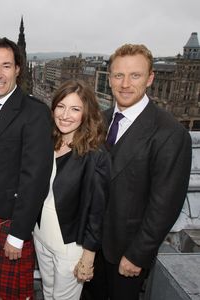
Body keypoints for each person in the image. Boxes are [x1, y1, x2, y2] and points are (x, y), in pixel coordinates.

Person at [82, 44, 192, 300]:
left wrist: (137, 254)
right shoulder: (100, 120)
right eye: (119, 75)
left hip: (126, 253)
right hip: (90, 247)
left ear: (150, 78)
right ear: (109, 78)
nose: (125, 84)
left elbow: (165, 205)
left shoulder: (170, 133)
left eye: (135, 75)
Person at [0, 37, 53, 299]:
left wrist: (18, 234)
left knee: (13, 295)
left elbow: (35, 179)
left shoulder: (35, 113)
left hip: (9, 220)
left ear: (18, 68)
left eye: (6, 66)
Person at [33, 79, 111, 300]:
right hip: (41, 236)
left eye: (75, 109)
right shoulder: (48, 141)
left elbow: (97, 212)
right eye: (61, 106)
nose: (65, 115)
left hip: (70, 245)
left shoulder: (95, 155)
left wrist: (88, 257)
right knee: (48, 293)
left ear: (86, 113)